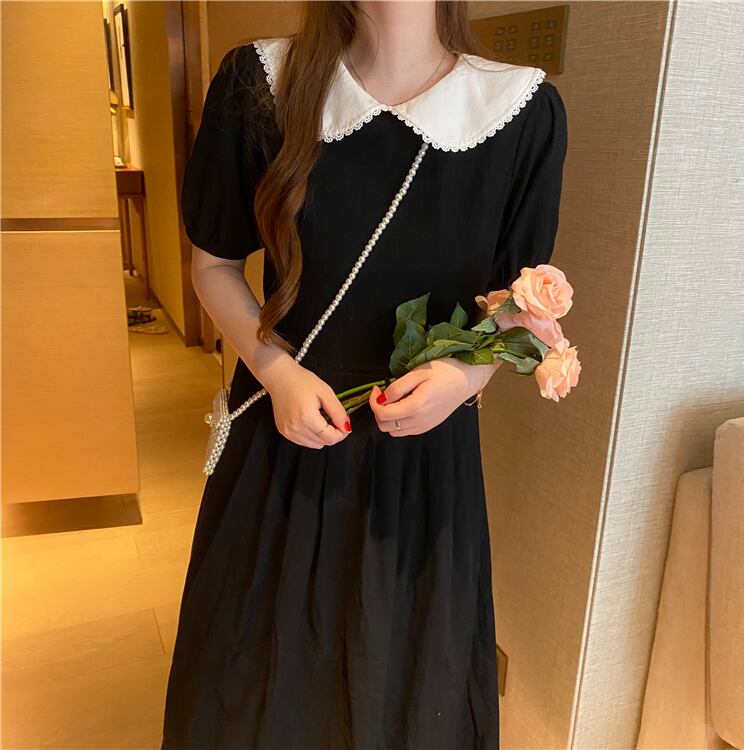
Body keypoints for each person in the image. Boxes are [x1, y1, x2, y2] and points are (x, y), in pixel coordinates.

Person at [160, 1, 567, 748]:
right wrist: (275, 372)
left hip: (424, 459)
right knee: (258, 687)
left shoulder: (518, 109)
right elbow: (214, 263)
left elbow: (515, 304)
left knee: (407, 687)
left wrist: (464, 379)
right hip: (286, 435)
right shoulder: (261, 83)